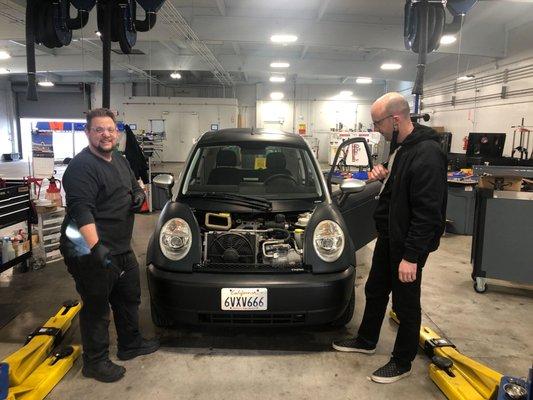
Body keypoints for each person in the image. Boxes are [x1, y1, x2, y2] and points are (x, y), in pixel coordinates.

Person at [332, 93, 447, 383]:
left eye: (377, 123)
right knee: (376, 289)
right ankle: (367, 340)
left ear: (395, 119)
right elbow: (402, 190)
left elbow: (428, 211)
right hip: (389, 236)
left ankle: (402, 361)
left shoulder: (427, 153)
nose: (376, 129)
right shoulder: (401, 149)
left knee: (406, 303)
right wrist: (384, 177)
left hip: (408, 244)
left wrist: (411, 256)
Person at [60, 108, 159, 383]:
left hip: (119, 245)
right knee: (97, 306)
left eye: (110, 129)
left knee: (128, 297)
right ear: (88, 133)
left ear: (117, 133)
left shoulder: (119, 158)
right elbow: (82, 212)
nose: (106, 134)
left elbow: (133, 184)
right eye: (98, 129)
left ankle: (130, 344)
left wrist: (139, 193)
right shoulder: (81, 168)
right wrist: (97, 250)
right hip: (87, 247)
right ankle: (95, 362)